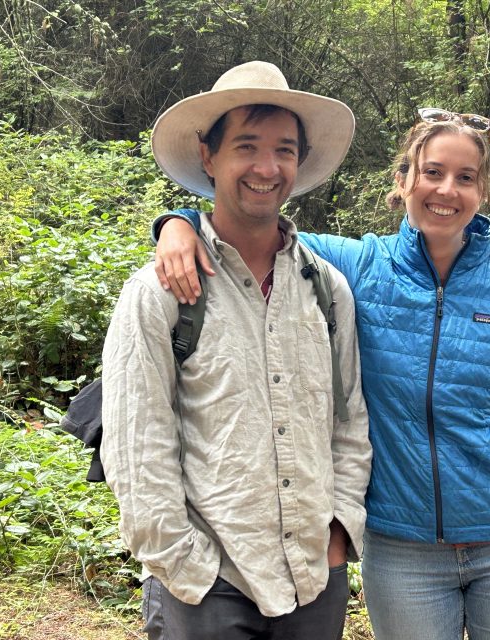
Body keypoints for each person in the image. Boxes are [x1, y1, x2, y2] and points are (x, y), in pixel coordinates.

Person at [153, 107, 490, 640]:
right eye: (432, 172)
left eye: (465, 178)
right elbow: (253, 229)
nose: (446, 190)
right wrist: (178, 223)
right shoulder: (359, 266)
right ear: (404, 180)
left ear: (483, 192)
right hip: (401, 548)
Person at [100, 61, 372, 640]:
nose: (266, 167)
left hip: (313, 580)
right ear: (209, 156)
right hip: (205, 586)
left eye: (284, 150)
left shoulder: (326, 289)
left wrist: (338, 532)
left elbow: (349, 421)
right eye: (246, 146)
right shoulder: (161, 294)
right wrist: (184, 565)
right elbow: (137, 442)